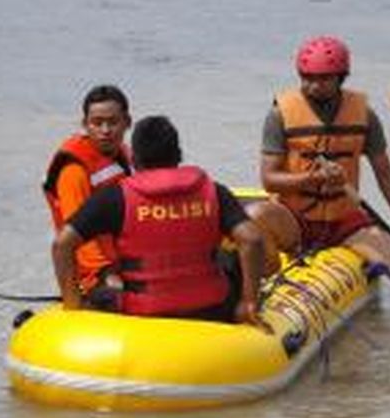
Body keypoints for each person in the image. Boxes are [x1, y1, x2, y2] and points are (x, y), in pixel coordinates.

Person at [248, 35, 390, 303]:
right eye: (306, 77)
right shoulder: (280, 115)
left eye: (323, 79)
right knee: (255, 215)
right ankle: (268, 283)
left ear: (341, 77)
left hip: (344, 220)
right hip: (295, 218)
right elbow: (269, 179)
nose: (313, 85)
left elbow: (386, 175)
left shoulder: (364, 115)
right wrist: (312, 178)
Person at [52, 116, 267, 328]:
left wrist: (73, 306)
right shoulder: (214, 191)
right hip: (212, 309)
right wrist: (248, 302)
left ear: (134, 160)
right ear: (179, 155)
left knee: (99, 292)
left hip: (142, 312)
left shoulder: (114, 197)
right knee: (228, 258)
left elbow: (62, 244)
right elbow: (252, 240)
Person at [43, 85, 133, 297]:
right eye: (97, 123)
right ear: (85, 124)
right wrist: (104, 273)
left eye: (112, 122)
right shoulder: (74, 171)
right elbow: (75, 235)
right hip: (93, 274)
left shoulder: (126, 155)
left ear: (127, 123)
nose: (105, 130)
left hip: (126, 260)